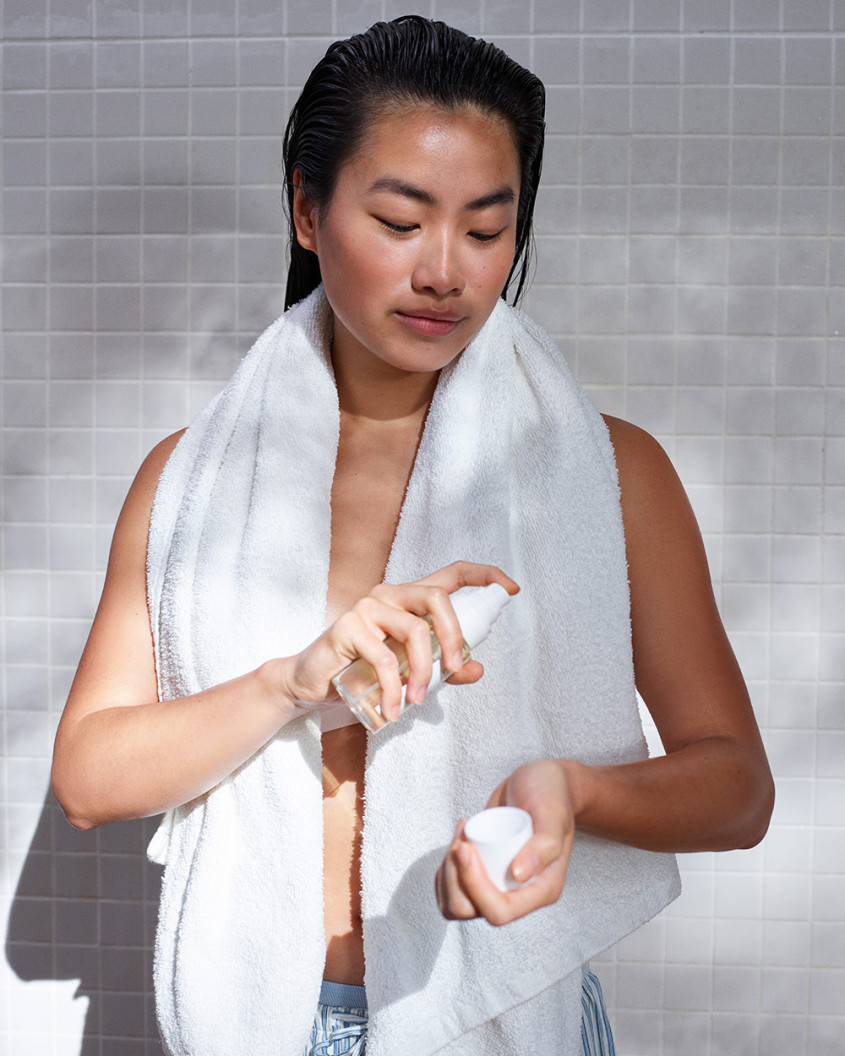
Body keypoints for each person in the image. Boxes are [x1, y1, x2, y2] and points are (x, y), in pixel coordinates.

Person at [51, 16, 774, 1056]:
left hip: (494, 1017)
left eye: (486, 231)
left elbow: (735, 787)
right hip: (262, 1018)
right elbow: (88, 778)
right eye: (399, 222)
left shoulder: (614, 473)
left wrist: (573, 789)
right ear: (307, 209)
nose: (446, 271)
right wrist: (290, 686)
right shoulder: (185, 481)